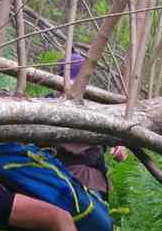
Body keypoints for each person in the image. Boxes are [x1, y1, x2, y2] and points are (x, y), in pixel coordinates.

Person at [52, 52, 128, 197]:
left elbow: (120, 149)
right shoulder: (45, 104)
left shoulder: (97, 108)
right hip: (51, 175)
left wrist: (120, 146)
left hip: (90, 181)